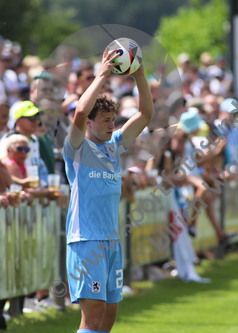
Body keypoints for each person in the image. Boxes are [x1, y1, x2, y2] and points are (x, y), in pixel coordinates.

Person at [63, 49, 153, 333]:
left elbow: (145, 113)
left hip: (111, 241)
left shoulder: (114, 145)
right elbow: (79, 110)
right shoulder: (76, 149)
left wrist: (139, 75)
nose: (111, 125)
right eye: (105, 121)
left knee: (109, 317)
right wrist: (102, 73)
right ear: (89, 123)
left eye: (113, 120)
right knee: (93, 315)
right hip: (86, 240)